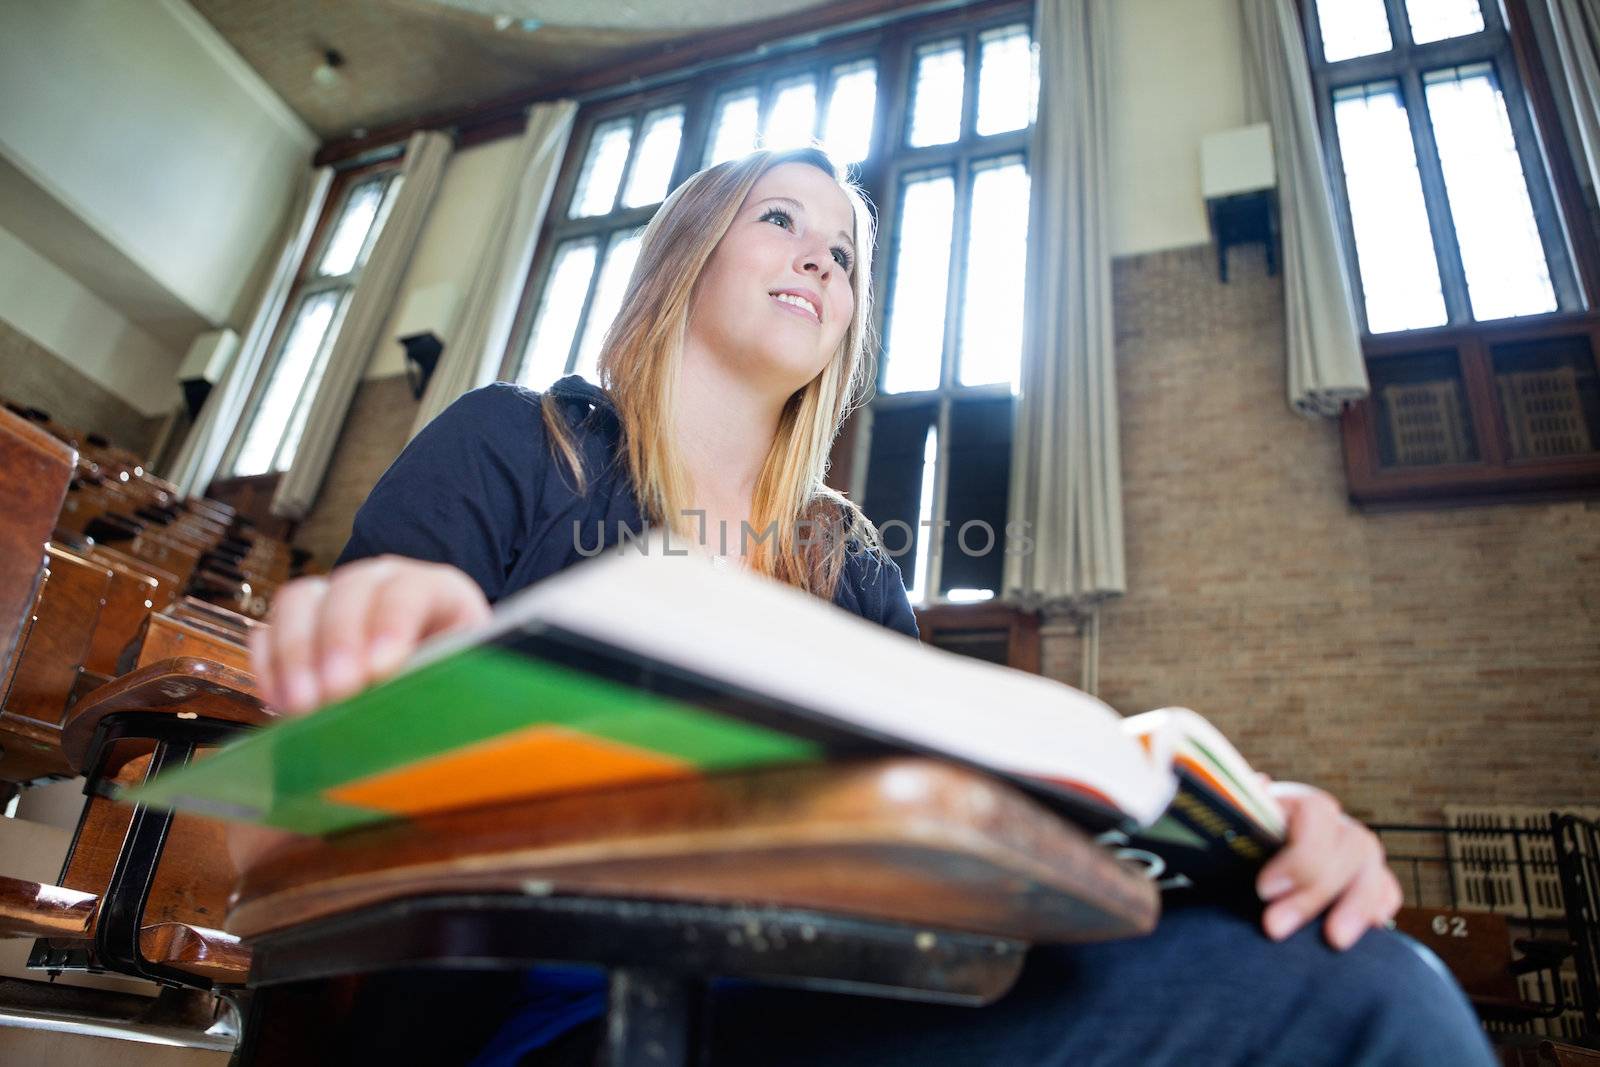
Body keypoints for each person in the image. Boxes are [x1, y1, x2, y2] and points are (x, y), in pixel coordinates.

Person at [243, 147, 1495, 1065]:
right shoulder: (513, 446)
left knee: (1359, 974)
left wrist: (1244, 837)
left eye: (842, 252)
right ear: (685, 251)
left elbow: (963, 827)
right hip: (566, 1022)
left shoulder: (851, 567)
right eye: (780, 218)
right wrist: (385, 647)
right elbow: (311, 789)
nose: (818, 255)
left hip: (844, 993)